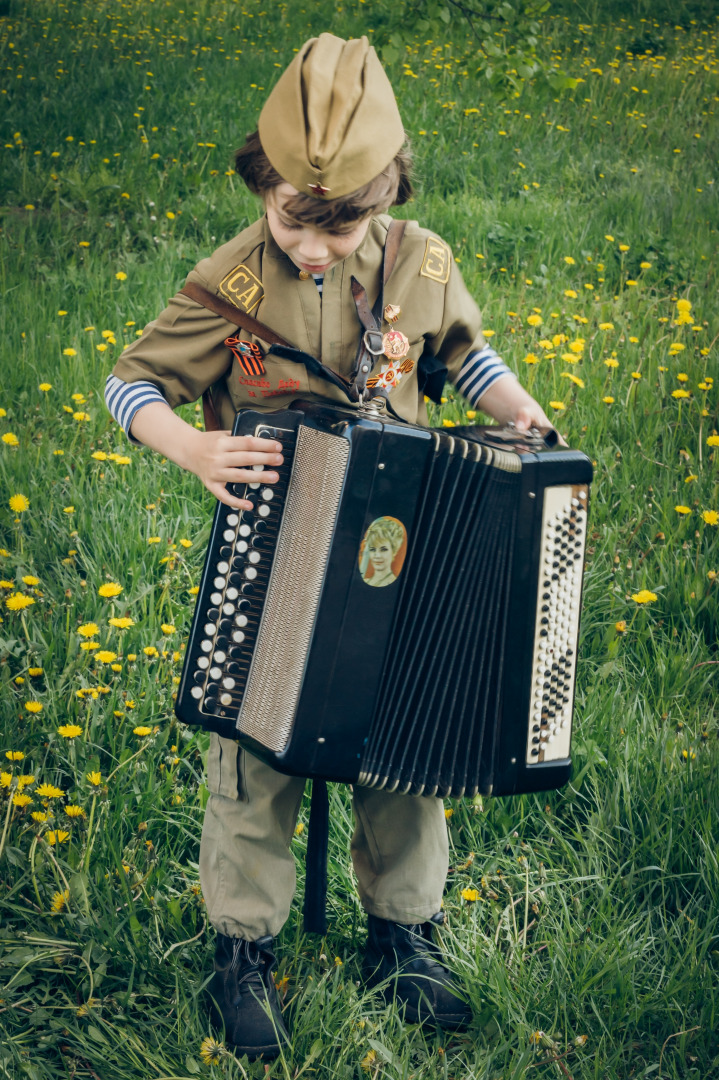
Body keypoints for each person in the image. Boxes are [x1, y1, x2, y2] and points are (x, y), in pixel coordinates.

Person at [105, 33, 556, 1061]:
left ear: (385, 192)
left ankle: (403, 937)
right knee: (258, 762)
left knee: (401, 747)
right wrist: (188, 445)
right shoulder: (227, 282)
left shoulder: (417, 260)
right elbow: (129, 383)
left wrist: (511, 402)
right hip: (274, 561)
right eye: (292, 220)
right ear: (262, 185)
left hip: (399, 553)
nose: (314, 246)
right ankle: (243, 951)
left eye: (340, 223)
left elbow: (460, 351)